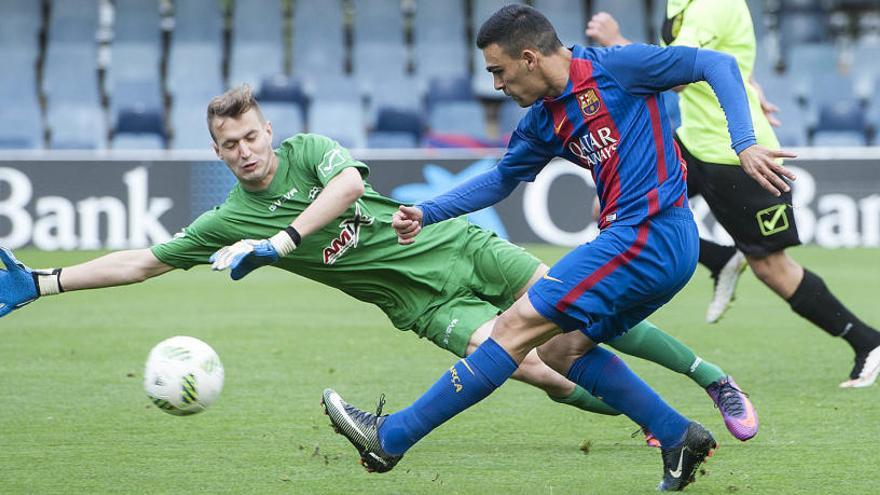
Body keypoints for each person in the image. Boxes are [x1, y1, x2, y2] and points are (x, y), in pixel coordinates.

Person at [0, 85, 754, 446]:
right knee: (542, 370)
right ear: (218, 153)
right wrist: (45, 281)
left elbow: (350, 184)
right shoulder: (227, 218)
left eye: (254, 136)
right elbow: (144, 262)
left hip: (462, 246)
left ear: (270, 132)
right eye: (231, 145)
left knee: (584, 316)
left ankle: (708, 374)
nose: (248, 151)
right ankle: (655, 425)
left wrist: (285, 240)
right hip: (422, 305)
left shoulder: (309, 152)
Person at [321, 5, 793, 491]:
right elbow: (503, 179)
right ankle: (678, 436)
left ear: (529, 58)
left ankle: (392, 437)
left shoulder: (619, 67)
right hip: (640, 244)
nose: (498, 86)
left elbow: (717, 64)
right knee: (558, 349)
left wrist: (744, 143)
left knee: (513, 326)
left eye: (498, 71)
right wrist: (428, 211)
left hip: (650, 234)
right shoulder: (543, 120)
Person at [585, 0, 880, 388]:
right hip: (692, 142)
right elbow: (727, 57)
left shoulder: (713, 4)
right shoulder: (681, 3)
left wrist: (617, 40)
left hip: (736, 152)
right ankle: (722, 260)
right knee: (609, 206)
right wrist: (751, 84)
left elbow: (677, 73)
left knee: (771, 268)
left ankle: (867, 342)